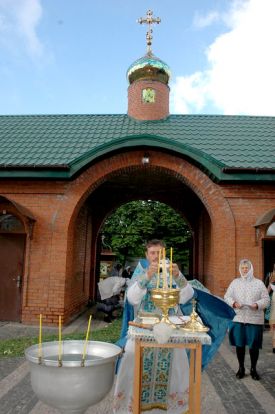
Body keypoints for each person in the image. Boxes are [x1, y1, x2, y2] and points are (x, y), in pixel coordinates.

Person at [113, 239, 194, 413]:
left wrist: (179, 277)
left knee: (178, 356)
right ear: (147, 255)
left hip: (170, 323)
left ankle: (174, 407)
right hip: (144, 323)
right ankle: (131, 405)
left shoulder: (172, 271)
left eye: (160, 253)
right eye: (152, 253)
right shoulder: (142, 272)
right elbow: (132, 298)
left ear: (165, 253)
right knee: (131, 354)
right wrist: (147, 277)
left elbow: (187, 296)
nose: (156, 256)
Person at [224, 259, 270, 380]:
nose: (244, 270)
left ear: (251, 269)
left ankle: (254, 369)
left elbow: (266, 299)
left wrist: (257, 304)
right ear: (240, 269)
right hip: (238, 318)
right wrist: (233, 303)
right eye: (243, 268)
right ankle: (241, 368)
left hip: (254, 319)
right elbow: (227, 296)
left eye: (247, 268)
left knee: (254, 346)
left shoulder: (259, 283)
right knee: (239, 345)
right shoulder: (235, 282)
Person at [267, 269, 275, 353]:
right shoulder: (271, 285)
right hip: (273, 308)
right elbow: (266, 293)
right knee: (273, 327)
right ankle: (274, 345)